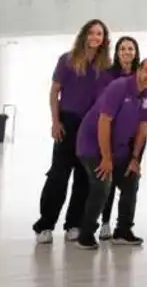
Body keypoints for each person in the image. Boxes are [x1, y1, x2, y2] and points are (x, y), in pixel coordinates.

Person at [33, 19, 112, 244]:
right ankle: (45, 225)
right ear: (84, 35)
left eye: (100, 34)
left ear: (104, 39)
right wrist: (55, 122)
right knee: (58, 175)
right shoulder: (67, 60)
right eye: (92, 33)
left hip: (92, 126)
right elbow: (54, 92)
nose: (95, 37)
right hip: (68, 122)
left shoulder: (106, 66)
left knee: (83, 177)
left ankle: (74, 224)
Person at [74, 58, 147, 249]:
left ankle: (123, 231)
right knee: (103, 183)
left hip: (119, 147)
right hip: (91, 144)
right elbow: (104, 122)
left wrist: (135, 159)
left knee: (131, 178)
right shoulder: (119, 87)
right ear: (138, 70)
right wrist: (105, 158)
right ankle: (86, 233)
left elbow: (142, 129)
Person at [97, 36, 140, 241]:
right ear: (117, 53)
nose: (127, 52)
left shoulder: (141, 74)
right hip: (109, 133)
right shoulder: (108, 75)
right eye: (123, 48)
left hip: (131, 135)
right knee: (108, 181)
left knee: (130, 180)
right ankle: (103, 222)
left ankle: (123, 226)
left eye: (130, 48)